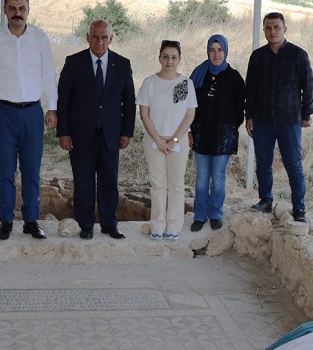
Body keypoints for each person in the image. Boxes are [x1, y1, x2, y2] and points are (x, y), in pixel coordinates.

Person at [0, 0, 57, 241]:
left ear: (28, 10)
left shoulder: (41, 40)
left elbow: (48, 76)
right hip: (2, 113)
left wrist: (52, 107)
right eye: (12, 8)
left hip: (32, 112)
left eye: (22, 8)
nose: (17, 13)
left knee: (32, 169)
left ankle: (31, 220)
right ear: (4, 10)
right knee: (5, 169)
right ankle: (6, 220)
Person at [56, 19, 136, 240]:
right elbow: (63, 99)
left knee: (109, 180)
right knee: (83, 181)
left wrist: (126, 132)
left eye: (104, 37)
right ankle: (85, 224)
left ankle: (110, 224)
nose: (99, 41)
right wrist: (63, 132)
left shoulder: (122, 64)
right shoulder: (73, 62)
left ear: (111, 38)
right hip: (80, 135)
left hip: (110, 135)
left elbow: (129, 101)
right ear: (88, 37)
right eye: (95, 36)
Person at [245, 11, 313, 222]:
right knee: (263, 163)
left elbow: (308, 85)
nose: (272, 31)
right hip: (263, 120)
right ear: (264, 30)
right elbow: (251, 88)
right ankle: (265, 200)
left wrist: (306, 113)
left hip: (289, 120)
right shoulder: (257, 56)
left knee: (293, 164)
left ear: (285, 29)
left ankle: (299, 209)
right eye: (268, 27)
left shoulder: (298, 55)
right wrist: (249, 116)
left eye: (277, 27)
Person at [137, 40, 198, 240]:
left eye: (173, 57)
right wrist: (159, 139)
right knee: (158, 184)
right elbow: (144, 115)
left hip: (176, 142)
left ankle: (174, 225)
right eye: (165, 56)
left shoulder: (184, 83)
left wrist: (173, 139)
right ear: (159, 57)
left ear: (179, 59)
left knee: (176, 184)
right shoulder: (150, 83)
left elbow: (188, 115)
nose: (169, 61)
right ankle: (157, 224)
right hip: (154, 140)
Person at [188, 34, 245, 232]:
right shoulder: (198, 74)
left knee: (218, 177)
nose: (216, 54)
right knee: (202, 177)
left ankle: (215, 214)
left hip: (223, 136)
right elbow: (187, 104)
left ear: (226, 51)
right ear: (207, 51)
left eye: (220, 50)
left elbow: (240, 109)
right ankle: (200, 215)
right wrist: (190, 129)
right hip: (201, 134)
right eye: (212, 50)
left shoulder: (234, 77)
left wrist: (228, 126)